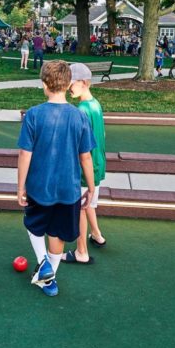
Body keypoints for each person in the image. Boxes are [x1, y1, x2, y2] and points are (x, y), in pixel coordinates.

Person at [17, 60, 96, 297]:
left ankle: (45, 268)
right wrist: (91, 187)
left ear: (44, 84)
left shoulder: (33, 114)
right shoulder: (80, 116)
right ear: (68, 83)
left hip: (39, 187)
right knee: (58, 234)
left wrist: (20, 186)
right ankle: (49, 275)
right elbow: (86, 158)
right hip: (68, 189)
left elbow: (24, 154)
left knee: (34, 225)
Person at [64, 62, 107, 264]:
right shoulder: (95, 104)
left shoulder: (81, 110)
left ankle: (81, 252)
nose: (67, 87)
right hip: (98, 165)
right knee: (89, 202)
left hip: (85, 169)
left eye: (70, 83)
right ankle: (97, 235)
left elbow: (80, 149)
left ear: (83, 82)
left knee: (80, 208)